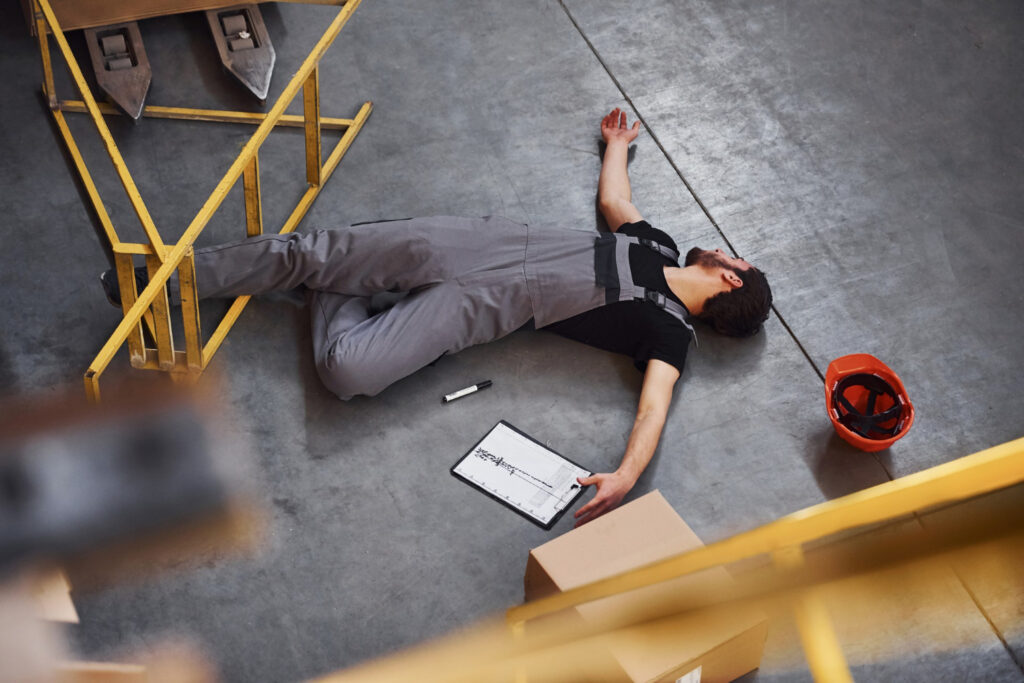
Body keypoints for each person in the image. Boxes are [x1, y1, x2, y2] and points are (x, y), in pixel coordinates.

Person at [101, 109, 772, 525]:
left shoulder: (669, 332)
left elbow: (654, 408)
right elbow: (615, 203)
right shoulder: (654, 244)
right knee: (311, 251)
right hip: (482, 241)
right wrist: (616, 146)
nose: (720, 244)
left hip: (486, 308)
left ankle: (337, 278)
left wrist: (625, 474)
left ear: (730, 275)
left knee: (348, 371)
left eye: (732, 253)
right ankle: (160, 280)